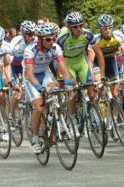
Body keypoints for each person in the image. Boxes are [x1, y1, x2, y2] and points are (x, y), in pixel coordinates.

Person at [23, 24, 72, 153]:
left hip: (45, 74)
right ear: (40, 39)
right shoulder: (30, 50)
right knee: (39, 107)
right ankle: (34, 138)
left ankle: (53, 126)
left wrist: (68, 82)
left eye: (53, 38)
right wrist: (39, 88)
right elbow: (29, 74)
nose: (52, 42)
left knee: (56, 94)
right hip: (31, 78)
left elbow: (62, 67)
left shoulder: (55, 48)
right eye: (48, 39)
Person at [57, 12, 105, 120]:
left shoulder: (87, 35)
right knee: (73, 92)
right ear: (69, 27)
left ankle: (93, 116)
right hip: (67, 63)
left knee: (92, 94)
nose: (79, 29)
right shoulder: (62, 38)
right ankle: (72, 118)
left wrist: (102, 75)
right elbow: (57, 59)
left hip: (82, 61)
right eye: (75, 27)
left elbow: (100, 54)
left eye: (81, 25)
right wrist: (64, 77)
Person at [9, 20, 37, 119]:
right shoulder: (16, 42)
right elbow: (8, 62)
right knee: (18, 94)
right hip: (16, 68)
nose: (33, 37)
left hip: (29, 68)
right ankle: (11, 113)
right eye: (29, 34)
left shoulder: (37, 41)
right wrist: (11, 79)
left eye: (34, 34)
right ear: (23, 34)